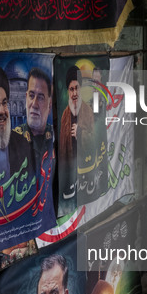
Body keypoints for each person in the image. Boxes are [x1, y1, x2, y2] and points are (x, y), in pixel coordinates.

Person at [58, 66, 95, 200]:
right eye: (71, 89)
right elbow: (62, 148)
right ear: (68, 91)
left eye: (77, 88)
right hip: (71, 172)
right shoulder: (64, 115)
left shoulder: (88, 111)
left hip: (86, 168)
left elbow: (93, 142)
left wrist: (80, 133)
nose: (74, 93)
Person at [13, 67, 55, 175]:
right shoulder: (13, 139)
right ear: (26, 97)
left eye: (40, 98)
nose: (34, 104)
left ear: (49, 105)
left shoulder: (55, 135)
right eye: (31, 96)